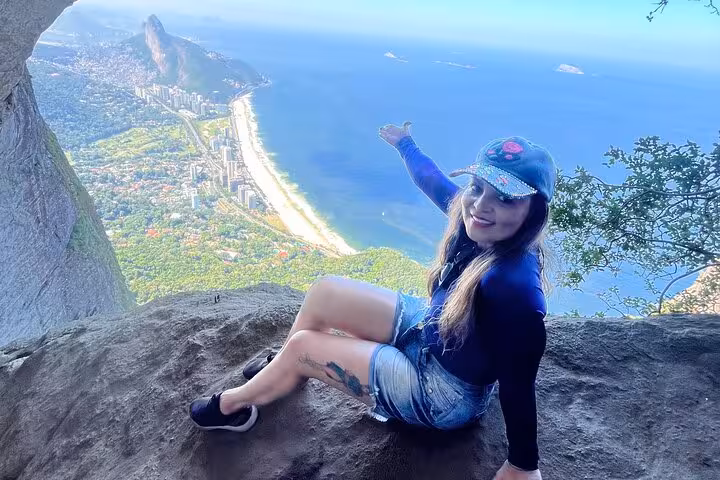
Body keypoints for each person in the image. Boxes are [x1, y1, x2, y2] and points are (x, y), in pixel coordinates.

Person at [189, 121, 558, 480]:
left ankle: (235, 406)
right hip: (431, 328)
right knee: (325, 290)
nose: (481, 205)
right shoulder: (473, 216)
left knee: (304, 346)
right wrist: (405, 145)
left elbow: (519, 381)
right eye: (477, 186)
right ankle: (285, 369)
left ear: (533, 212)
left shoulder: (515, 288)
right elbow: (431, 181)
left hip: (442, 392)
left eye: (505, 198)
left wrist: (523, 465)